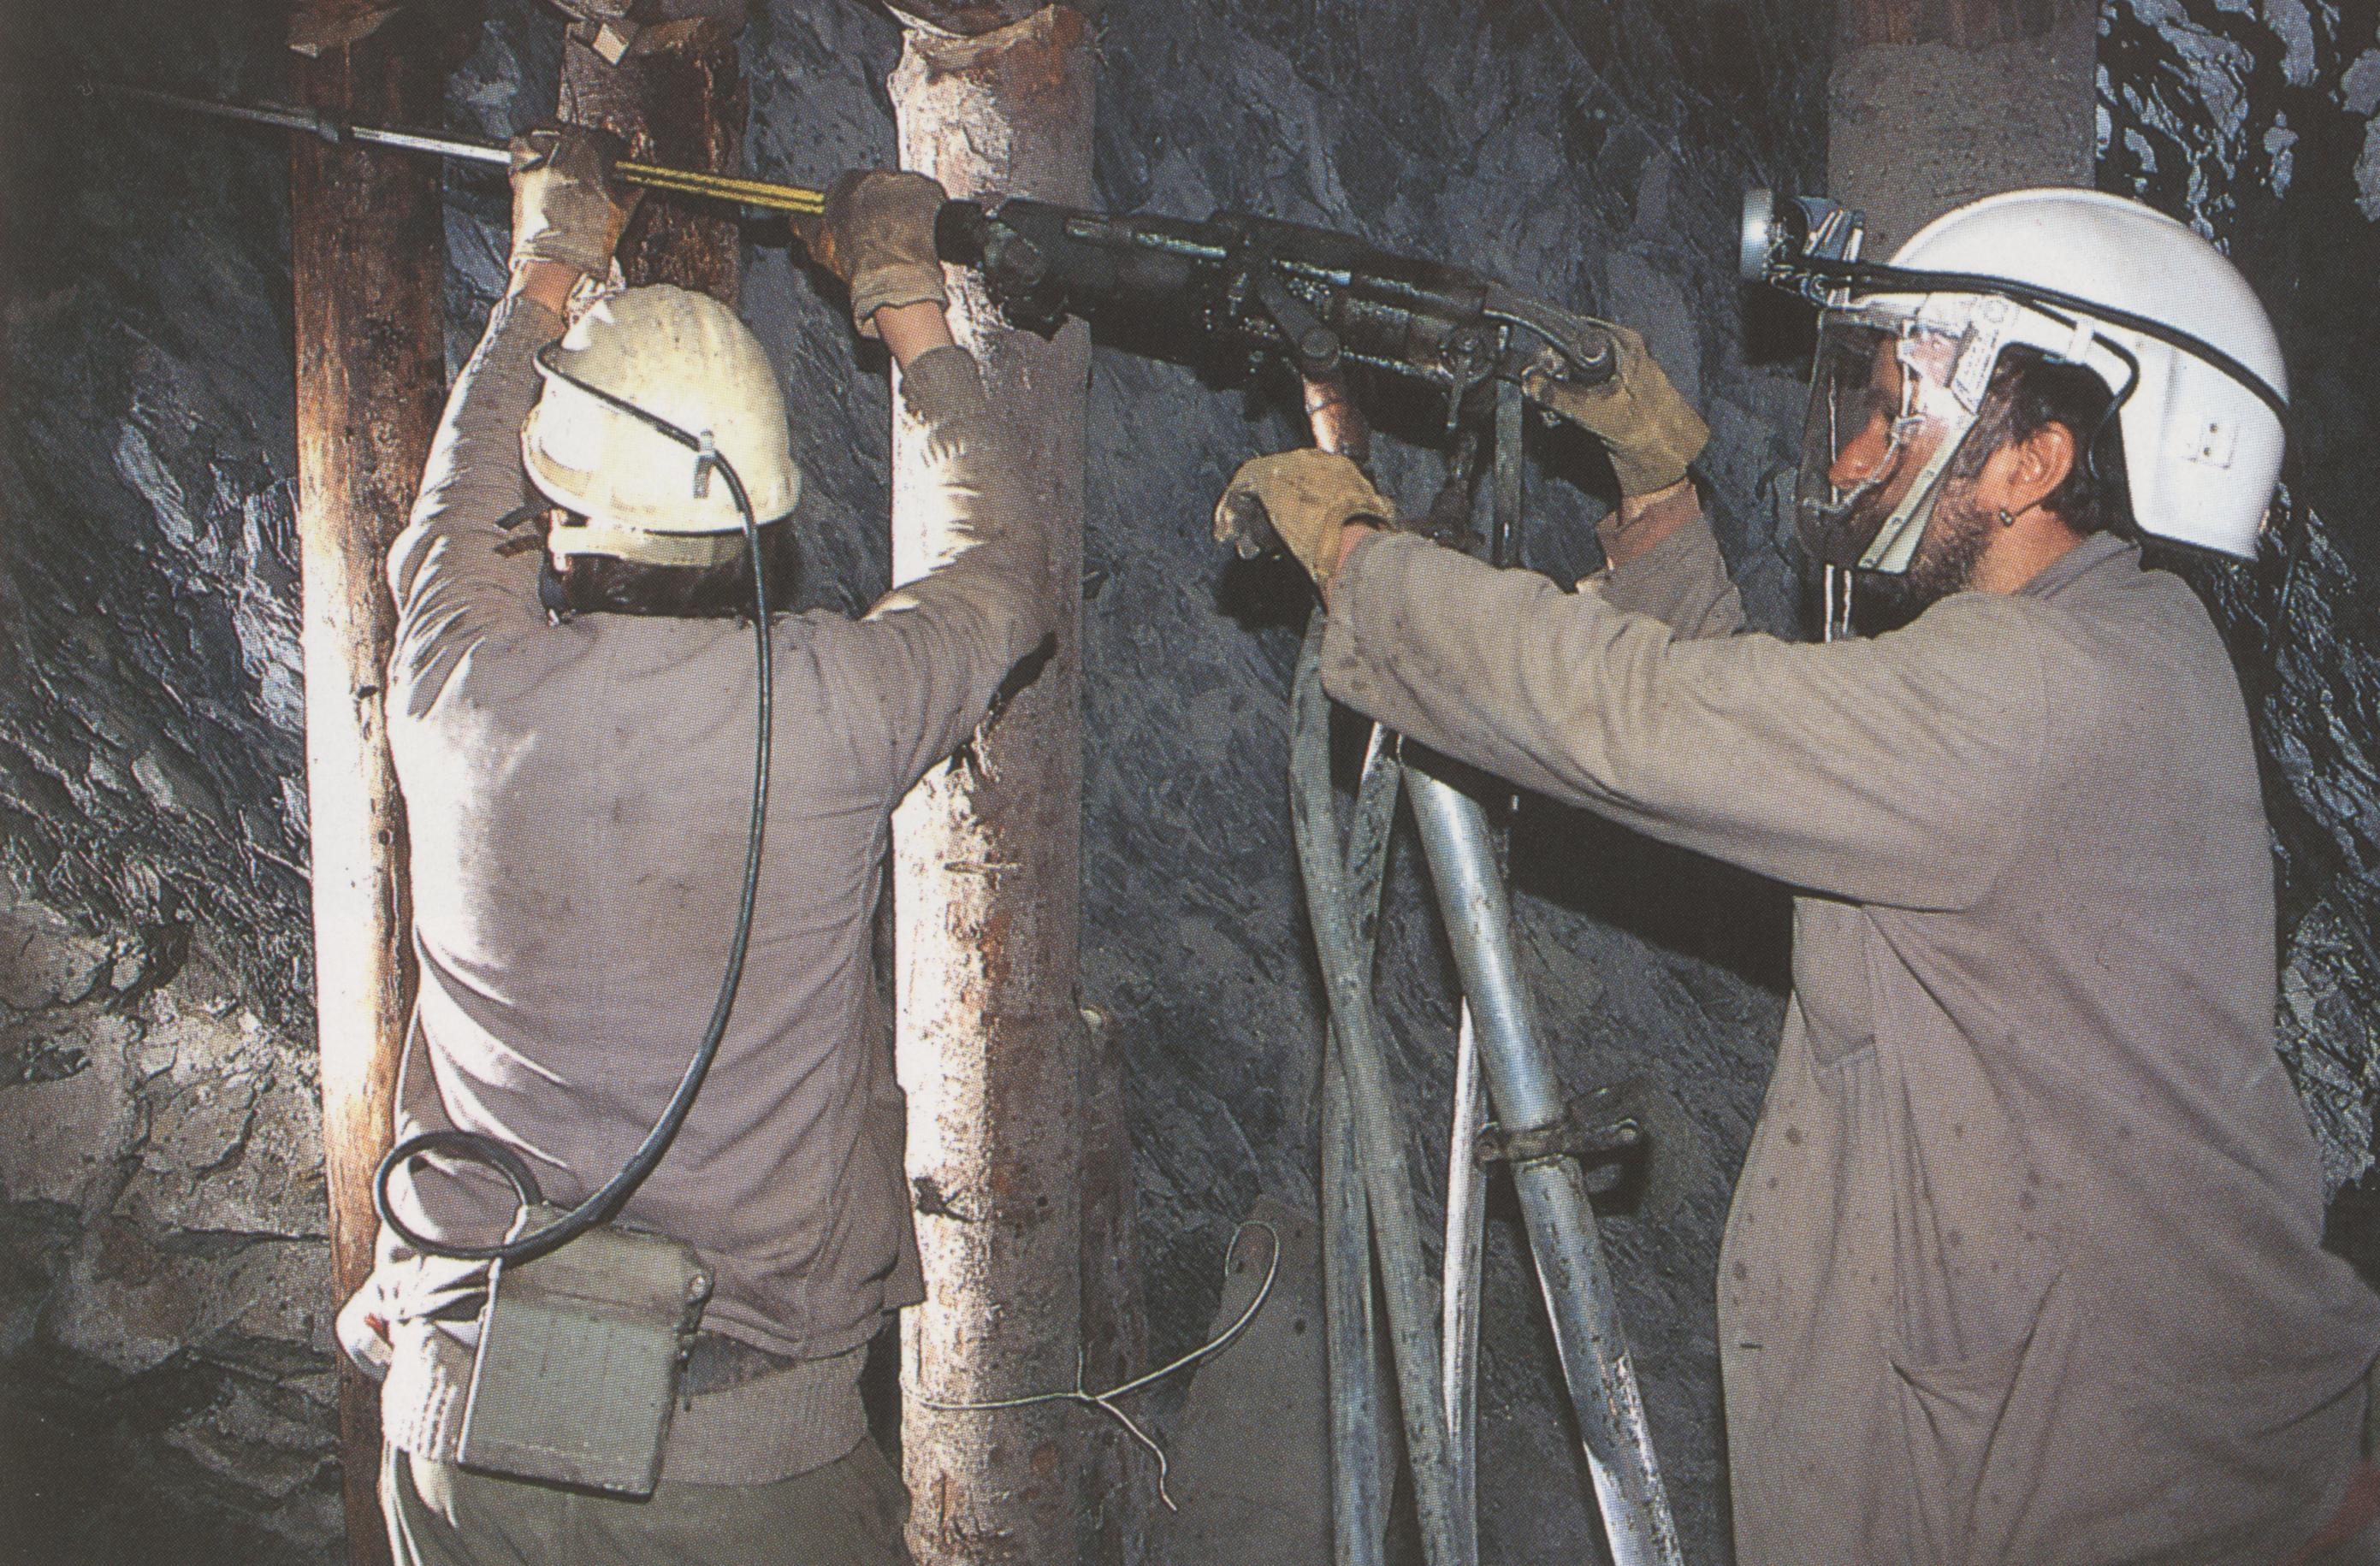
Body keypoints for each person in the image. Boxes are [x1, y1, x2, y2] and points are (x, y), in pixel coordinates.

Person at [1216, 188, 2380, 1563]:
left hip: (2100, 1483)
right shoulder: (2115, 638)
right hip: (2120, 1426)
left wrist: (1368, 568)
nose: (1862, 448)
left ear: (2031, 462)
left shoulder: (2039, 696)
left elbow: (1654, 726)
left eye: (1903, 408)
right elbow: (1799, 756)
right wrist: (1654, 504)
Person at [333, 127, 1046, 1566]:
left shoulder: (453, 676)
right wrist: (905, 304)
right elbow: (998, 573)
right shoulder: (840, 703)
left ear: (563, 508)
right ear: (762, 508)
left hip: (466, 1439)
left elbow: (454, 507)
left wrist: (549, 267)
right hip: (741, 1476)